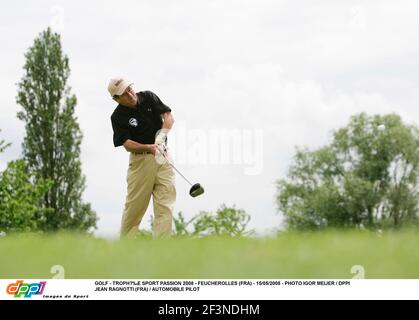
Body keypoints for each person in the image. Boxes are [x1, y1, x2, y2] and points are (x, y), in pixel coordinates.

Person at [108, 78, 176, 238]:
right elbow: (126, 144)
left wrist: (161, 137)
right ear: (116, 99)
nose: (129, 94)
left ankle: (161, 249)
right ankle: (125, 247)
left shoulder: (148, 97)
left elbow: (168, 117)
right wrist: (148, 147)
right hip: (140, 162)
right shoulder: (117, 117)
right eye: (123, 94)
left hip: (163, 157)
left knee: (165, 206)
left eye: (129, 89)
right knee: (134, 209)